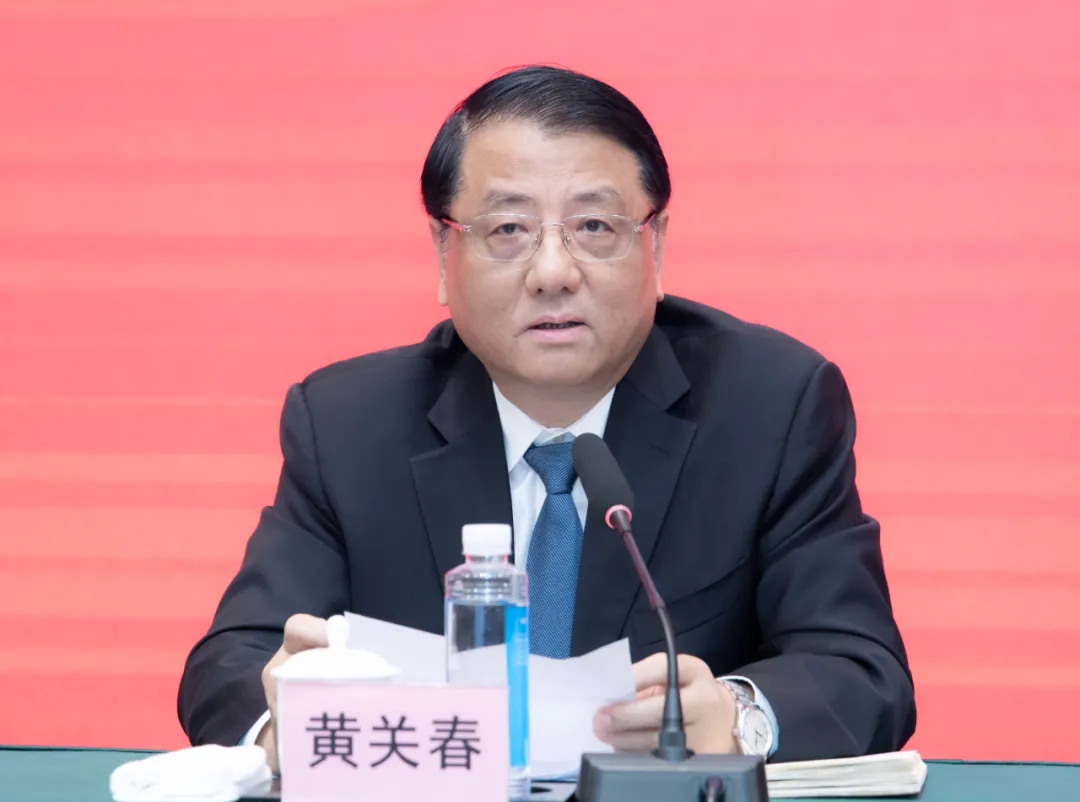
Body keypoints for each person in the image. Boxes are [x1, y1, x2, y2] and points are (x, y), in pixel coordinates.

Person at [177, 64, 916, 773]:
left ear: (655, 244)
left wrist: (737, 716)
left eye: (594, 225)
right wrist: (281, 724)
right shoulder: (348, 424)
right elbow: (232, 664)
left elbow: (860, 670)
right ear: (443, 253)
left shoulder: (771, 405)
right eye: (508, 230)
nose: (553, 272)